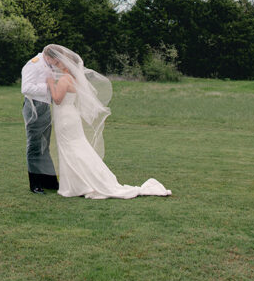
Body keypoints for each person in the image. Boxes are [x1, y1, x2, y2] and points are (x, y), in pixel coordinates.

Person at [43, 44, 171, 199]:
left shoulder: (64, 79)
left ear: (59, 62)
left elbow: (57, 99)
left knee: (72, 149)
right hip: (71, 116)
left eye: (52, 62)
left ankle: (80, 185)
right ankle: (79, 183)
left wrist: (50, 82)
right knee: (78, 147)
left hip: (65, 118)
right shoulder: (73, 77)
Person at [20, 50, 59, 194]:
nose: (56, 64)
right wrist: (47, 87)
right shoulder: (33, 64)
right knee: (35, 145)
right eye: (55, 61)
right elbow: (25, 88)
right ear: (48, 56)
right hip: (34, 106)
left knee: (45, 145)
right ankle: (35, 184)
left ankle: (49, 181)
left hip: (45, 106)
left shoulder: (47, 63)